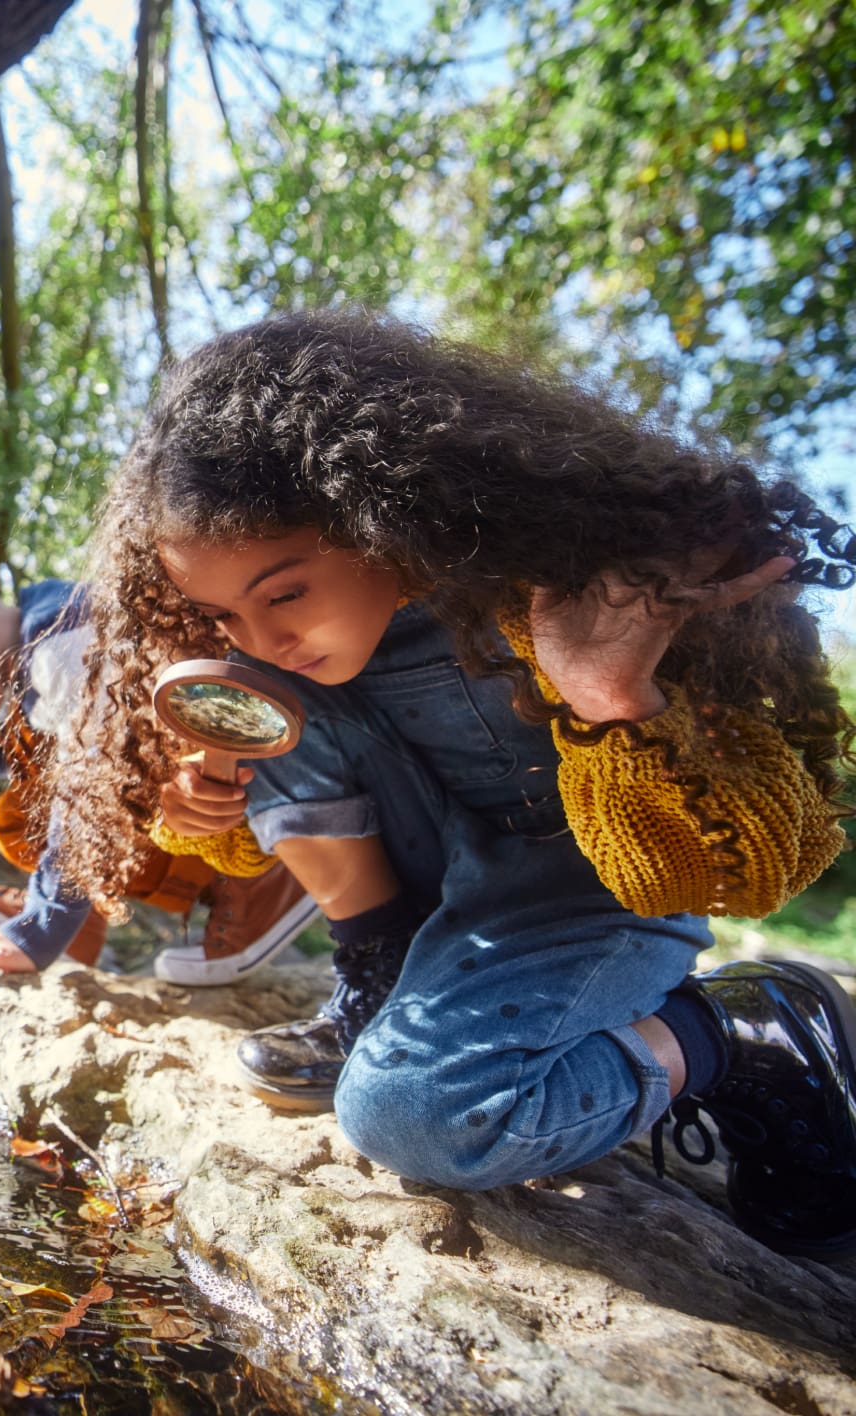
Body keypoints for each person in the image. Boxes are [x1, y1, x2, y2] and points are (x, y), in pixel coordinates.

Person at [45, 308, 856, 1258]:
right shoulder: (271, 657)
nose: (258, 635)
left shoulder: (585, 587)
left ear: (376, 510)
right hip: (446, 885)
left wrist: (613, 701)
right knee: (260, 693)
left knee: (417, 1119)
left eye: (284, 591)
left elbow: (747, 870)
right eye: (223, 610)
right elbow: (241, 831)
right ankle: (380, 979)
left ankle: (731, 1030)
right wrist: (203, 800)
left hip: (592, 897)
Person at [0, 567, 316, 981]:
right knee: (25, 815)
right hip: (205, 801)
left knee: (71, 805)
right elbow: (41, 766)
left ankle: (271, 886)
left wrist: (40, 929)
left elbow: (86, 798)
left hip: (263, 791)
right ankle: (81, 932)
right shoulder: (30, 656)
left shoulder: (59, 646)